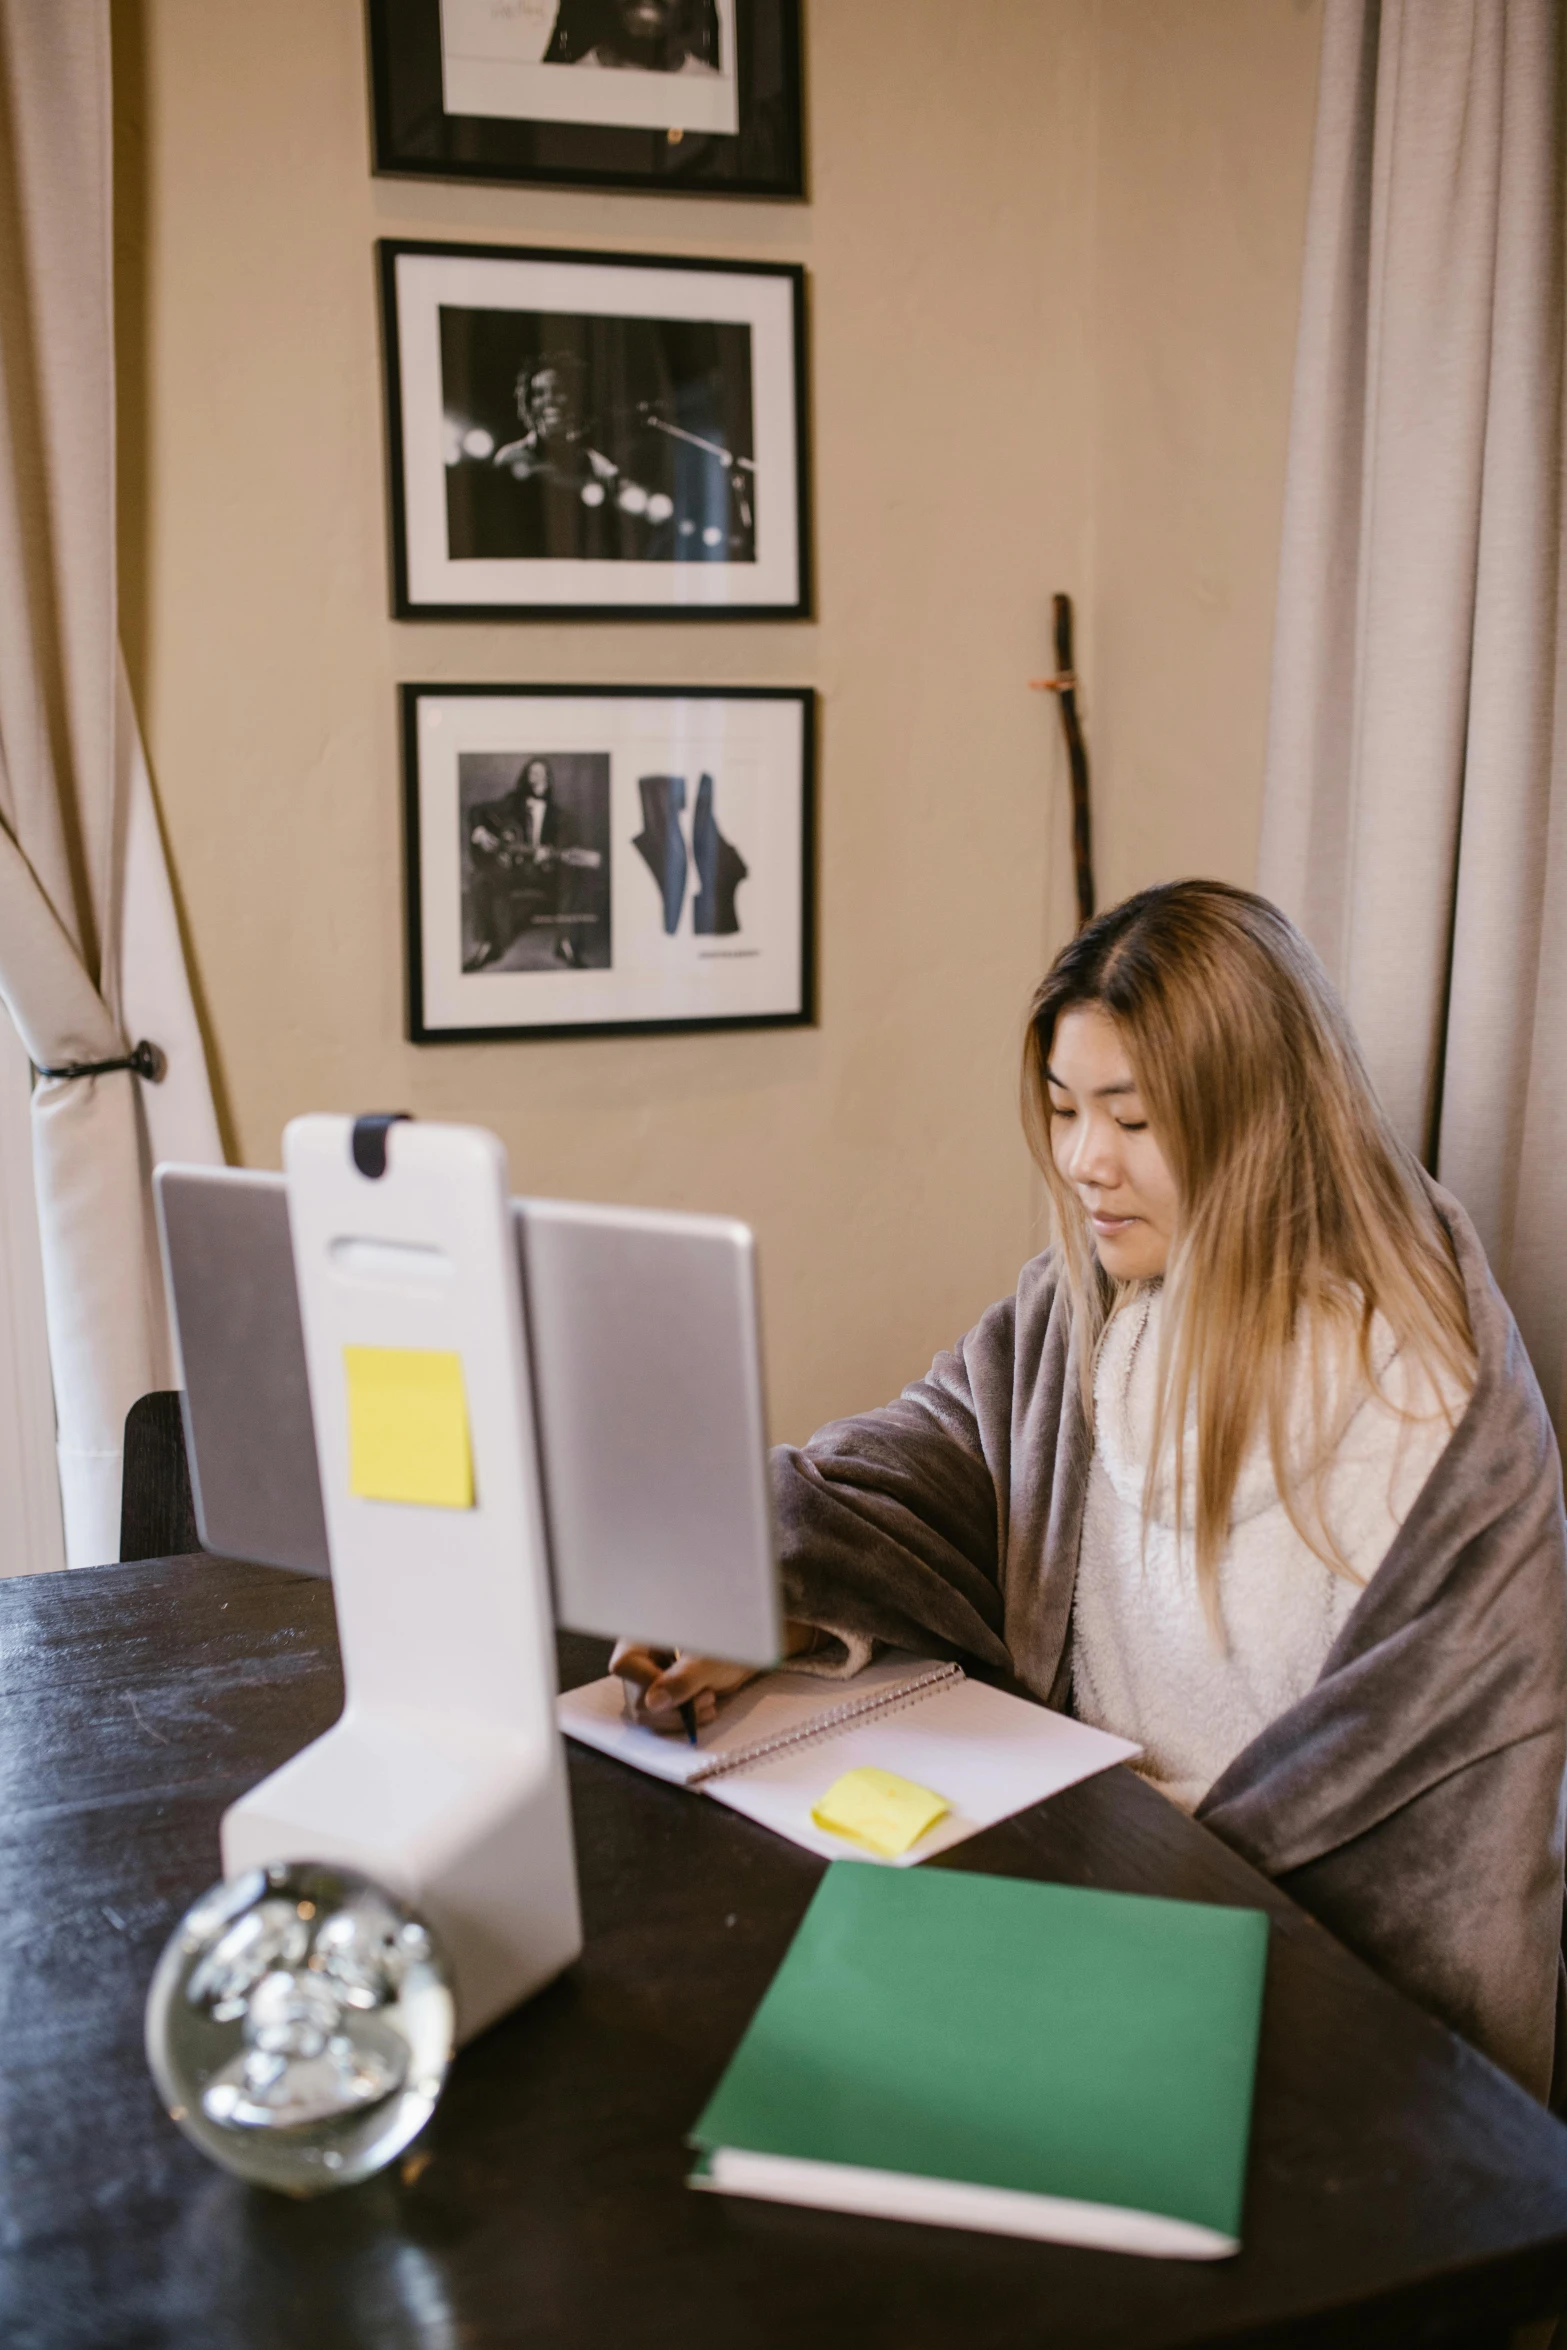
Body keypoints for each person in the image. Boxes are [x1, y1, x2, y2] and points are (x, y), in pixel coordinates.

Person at [614, 881, 1567, 2100]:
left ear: (1259, 1119)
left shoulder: (1423, 1412)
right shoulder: (1093, 1310)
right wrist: (765, 1590)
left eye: (1132, 1118)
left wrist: (1102, 1880)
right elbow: (931, 1462)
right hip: (1076, 1881)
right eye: (1066, 1109)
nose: (1081, 1160)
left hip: (1271, 1985)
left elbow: (1424, 1833)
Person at [464, 757, 593, 971]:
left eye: (543, 773)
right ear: (526, 777)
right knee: (479, 878)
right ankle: (487, 945)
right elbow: (476, 811)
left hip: (543, 872)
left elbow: (564, 846)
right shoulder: (512, 802)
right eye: (533, 772)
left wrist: (548, 856)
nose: (538, 777)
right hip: (512, 869)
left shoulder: (559, 815)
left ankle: (565, 943)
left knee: (572, 872)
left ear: (549, 780)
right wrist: (481, 832)